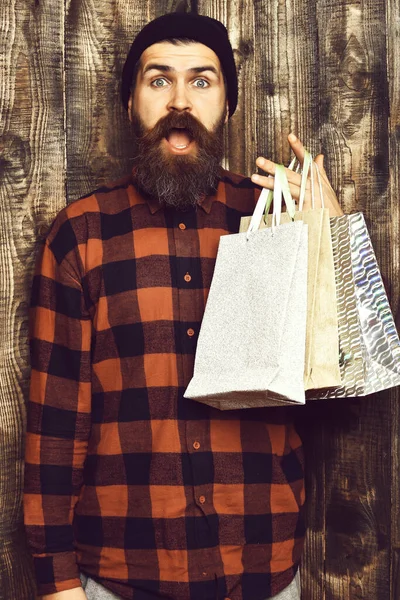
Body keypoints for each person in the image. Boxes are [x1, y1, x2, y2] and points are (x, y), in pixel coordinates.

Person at [23, 11, 343, 600]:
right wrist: (56, 581)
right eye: (157, 80)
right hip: (118, 577)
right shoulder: (82, 234)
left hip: (262, 570)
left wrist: (332, 240)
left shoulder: (278, 220)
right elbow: (55, 421)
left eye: (201, 80)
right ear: (130, 104)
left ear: (228, 104)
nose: (179, 101)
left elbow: (344, 383)